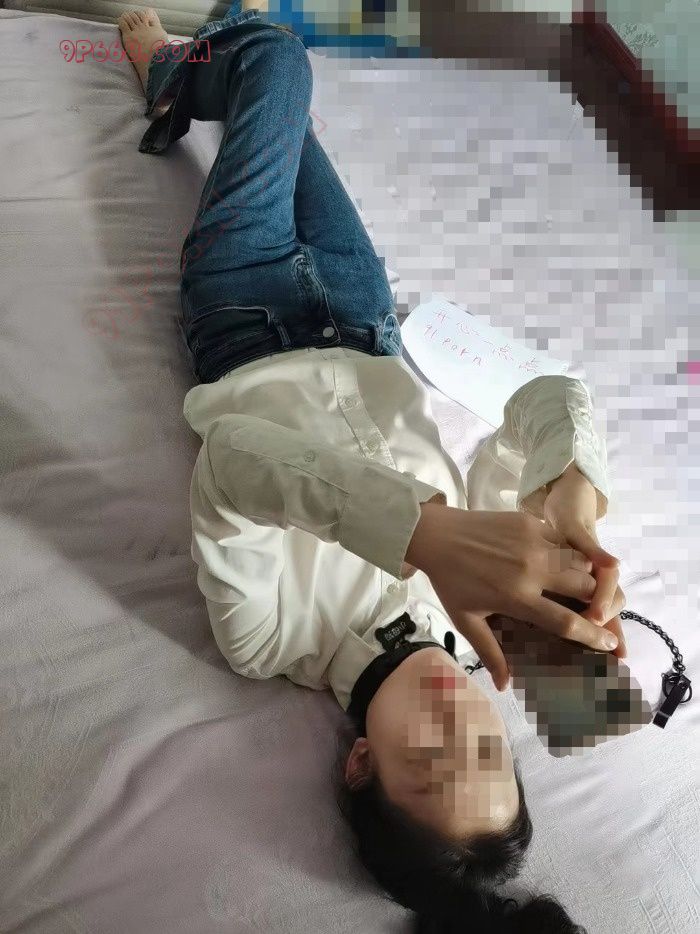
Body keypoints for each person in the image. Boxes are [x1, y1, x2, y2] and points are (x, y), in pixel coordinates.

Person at [118, 6, 626, 931]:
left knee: (275, 60)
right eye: (485, 748)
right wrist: (570, 489)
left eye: (429, 760)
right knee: (283, 111)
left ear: (360, 764)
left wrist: (420, 531)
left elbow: (232, 463)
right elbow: (548, 397)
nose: (455, 720)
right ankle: (211, 64)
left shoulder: (271, 639)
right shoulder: (490, 600)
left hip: (244, 311)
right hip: (362, 311)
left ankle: (176, 76)